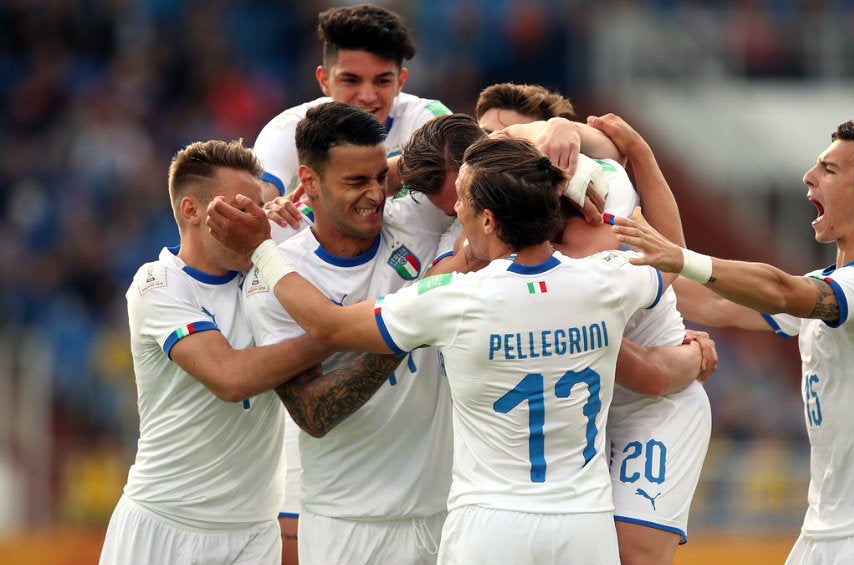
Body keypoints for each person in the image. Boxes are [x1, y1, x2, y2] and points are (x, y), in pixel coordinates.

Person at [207, 136, 669, 565]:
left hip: (490, 526)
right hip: (584, 526)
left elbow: (327, 324)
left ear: (488, 220)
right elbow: (673, 254)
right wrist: (640, 152)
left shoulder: (454, 297)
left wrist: (263, 251)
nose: (456, 210)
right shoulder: (608, 279)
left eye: (465, 200)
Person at [612, 119, 854, 565]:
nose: (809, 176)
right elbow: (710, 301)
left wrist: (681, 257)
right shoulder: (832, 282)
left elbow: (785, 292)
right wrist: (603, 264)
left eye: (828, 169)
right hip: (824, 531)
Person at [404, 89, 715, 564]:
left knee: (632, 555)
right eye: (454, 209)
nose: (461, 216)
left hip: (651, 400)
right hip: (581, 401)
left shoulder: (595, 217)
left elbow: (649, 372)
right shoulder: (481, 220)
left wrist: (691, 357)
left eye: (465, 203)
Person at [98, 140, 333, 565]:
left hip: (254, 532)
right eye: (238, 208)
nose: (253, 221)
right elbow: (230, 378)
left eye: (258, 208)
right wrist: (333, 331)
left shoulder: (274, 271)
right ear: (191, 211)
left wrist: (298, 237)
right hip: (164, 526)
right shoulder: (158, 283)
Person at [243, 102, 452, 565]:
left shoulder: (418, 219)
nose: (376, 195)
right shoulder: (279, 278)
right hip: (347, 526)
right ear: (309, 183)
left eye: (381, 177)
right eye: (356, 182)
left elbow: (475, 157)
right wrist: (406, 323)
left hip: (445, 513)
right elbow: (314, 413)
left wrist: (560, 129)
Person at [254, 4, 450, 202]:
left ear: (400, 81)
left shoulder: (427, 118)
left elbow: (466, 172)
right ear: (324, 80)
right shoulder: (289, 128)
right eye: (350, 80)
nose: (367, 96)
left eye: (382, 81)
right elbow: (254, 200)